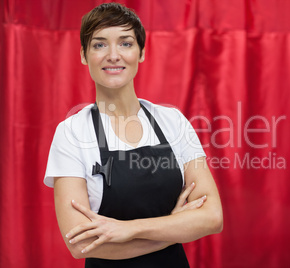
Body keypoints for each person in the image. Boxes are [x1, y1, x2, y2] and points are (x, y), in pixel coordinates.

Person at [44, 3, 223, 267]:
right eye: (99, 45)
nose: (113, 55)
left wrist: (131, 229)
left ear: (141, 53)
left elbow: (212, 217)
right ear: (83, 55)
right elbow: (80, 243)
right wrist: (174, 227)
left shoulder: (172, 121)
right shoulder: (71, 132)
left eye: (126, 43)